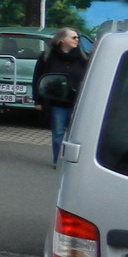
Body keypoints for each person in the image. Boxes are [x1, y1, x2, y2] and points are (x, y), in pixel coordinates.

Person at [33, 27, 89, 165]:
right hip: (57, 102)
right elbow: (38, 78)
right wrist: (37, 100)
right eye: (73, 37)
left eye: (77, 38)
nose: (77, 40)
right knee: (58, 133)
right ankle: (58, 160)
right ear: (62, 39)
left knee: (76, 134)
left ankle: (73, 161)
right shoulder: (48, 56)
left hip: (77, 102)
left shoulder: (83, 56)